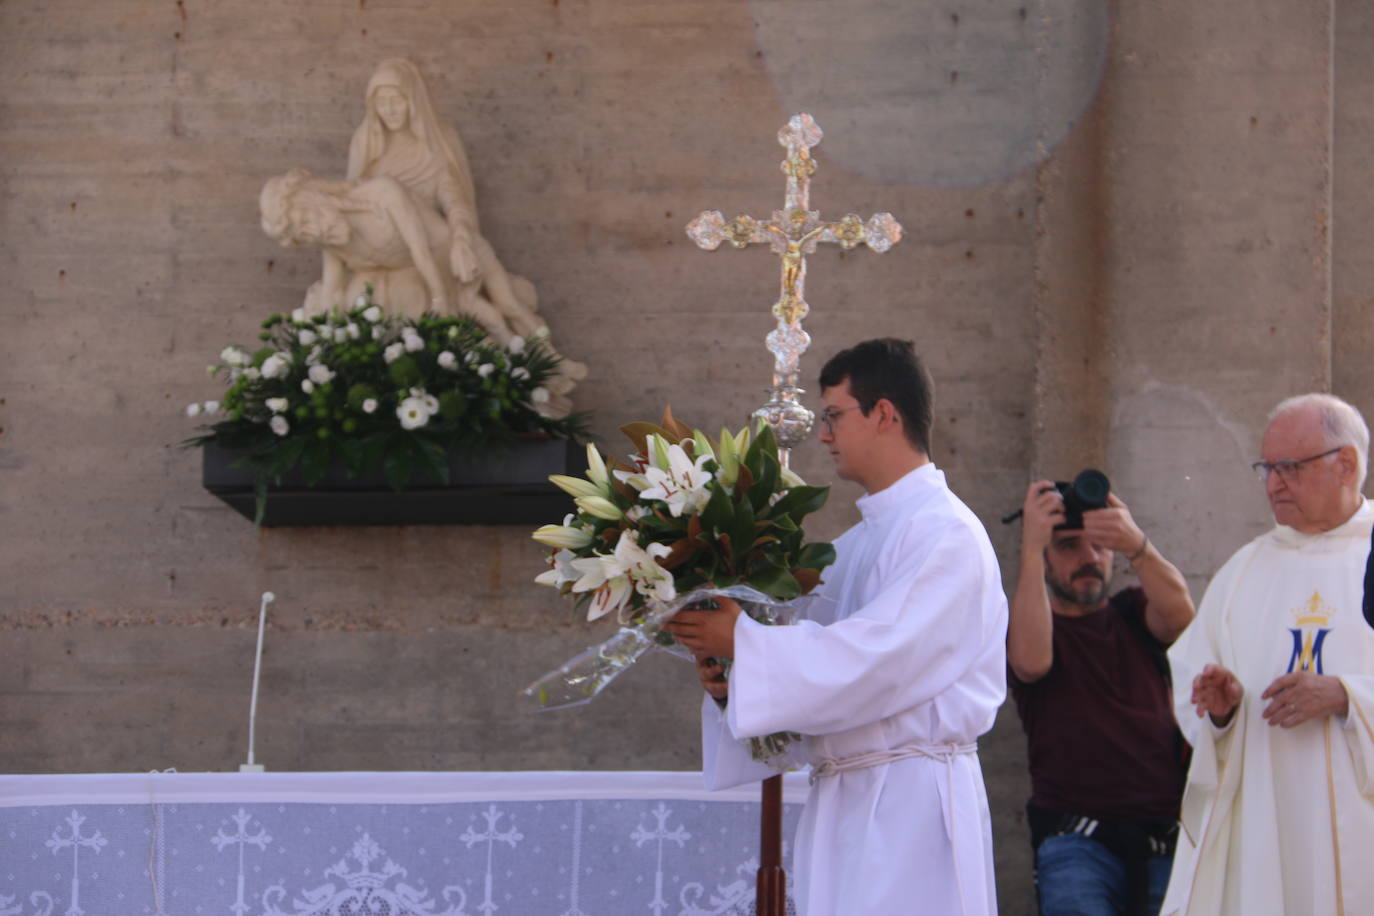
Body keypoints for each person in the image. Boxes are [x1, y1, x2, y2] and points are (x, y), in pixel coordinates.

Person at [666, 338, 1007, 916]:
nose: (823, 435)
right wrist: (732, 676)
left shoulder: (945, 534)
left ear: (883, 414)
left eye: (833, 416)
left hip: (909, 808)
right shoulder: (855, 545)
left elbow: (876, 661)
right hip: (848, 798)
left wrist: (745, 641)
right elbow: (810, 663)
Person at [1162, 393, 1374, 915]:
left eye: (1289, 468)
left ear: (1346, 463)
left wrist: (1348, 696)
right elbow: (1198, 705)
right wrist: (1222, 710)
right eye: (1267, 468)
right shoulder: (1243, 573)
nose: (1273, 483)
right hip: (1265, 829)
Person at [1008, 478, 1195, 915]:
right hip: (1076, 839)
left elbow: (1183, 617)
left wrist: (1137, 544)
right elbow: (1030, 663)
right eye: (1069, 547)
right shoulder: (1030, 624)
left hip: (1163, 839)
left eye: (1099, 546)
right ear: (1046, 558)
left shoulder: (1134, 613)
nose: (1090, 558)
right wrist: (1031, 548)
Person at [345, 58, 545, 342]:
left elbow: (454, 199)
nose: (389, 109)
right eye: (382, 102)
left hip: (437, 247)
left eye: (397, 100)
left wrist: (461, 238)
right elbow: (349, 207)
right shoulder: (365, 144)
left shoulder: (437, 142)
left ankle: (540, 359)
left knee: (503, 304)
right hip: (388, 256)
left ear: (412, 99)